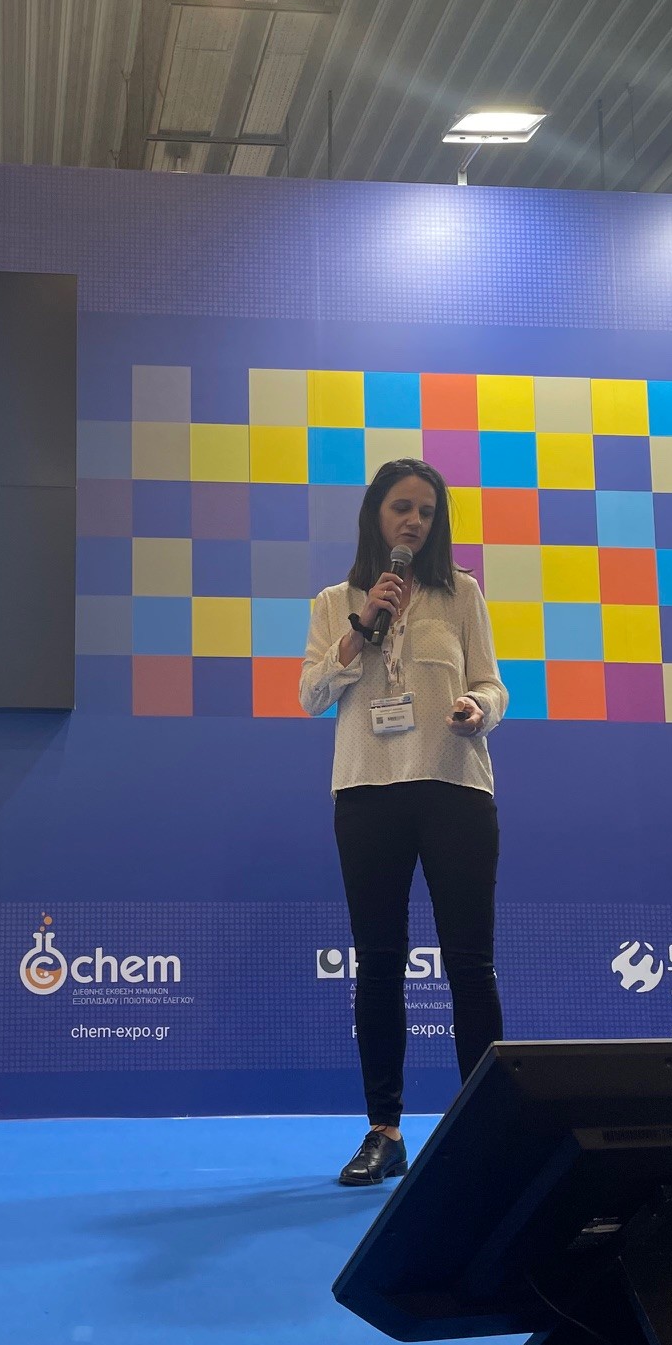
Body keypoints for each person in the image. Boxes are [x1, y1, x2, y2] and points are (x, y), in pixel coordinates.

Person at [300, 458, 508, 1186]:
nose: (414, 521)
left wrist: (480, 708)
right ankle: (383, 1131)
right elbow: (311, 695)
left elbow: (491, 682)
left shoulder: (462, 594)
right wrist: (360, 630)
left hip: (454, 787)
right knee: (379, 962)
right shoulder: (335, 602)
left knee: (470, 963)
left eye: (426, 510)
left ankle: (487, 1129)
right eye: (401, 508)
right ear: (376, 516)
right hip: (367, 793)